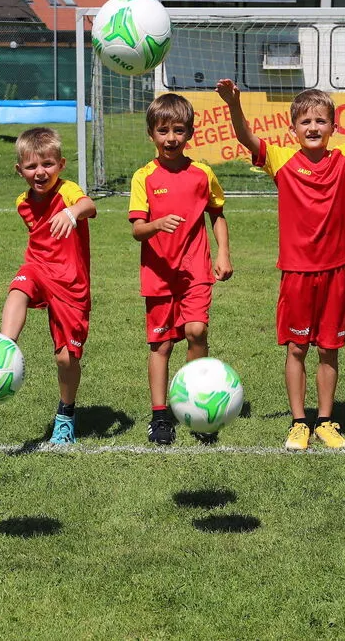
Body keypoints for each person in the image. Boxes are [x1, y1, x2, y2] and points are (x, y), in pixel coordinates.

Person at [217, 78, 345, 452]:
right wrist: (234, 104)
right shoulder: (281, 160)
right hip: (297, 272)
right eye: (305, 122)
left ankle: (326, 421)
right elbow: (246, 137)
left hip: (335, 271)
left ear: (334, 127)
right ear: (292, 130)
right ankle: (300, 422)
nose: (313, 128)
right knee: (297, 348)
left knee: (329, 348)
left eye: (321, 121)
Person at [130, 93, 233, 446]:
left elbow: (216, 214)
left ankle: (197, 404)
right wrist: (157, 224)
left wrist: (223, 255)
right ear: (151, 135)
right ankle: (160, 415)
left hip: (196, 271)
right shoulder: (143, 177)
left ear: (190, 133)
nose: (170, 138)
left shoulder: (202, 173)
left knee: (196, 331)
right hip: (158, 274)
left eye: (178, 130)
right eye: (163, 131)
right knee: (160, 346)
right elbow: (136, 229)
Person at [0, 127, 97, 445]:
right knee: (18, 289)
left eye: (48, 164)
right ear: (20, 170)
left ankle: (65, 413)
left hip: (71, 283)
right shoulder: (22, 203)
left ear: (61, 164)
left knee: (66, 359)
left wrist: (72, 212)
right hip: (38, 268)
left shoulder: (68, 192)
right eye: (31, 166)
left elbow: (89, 206)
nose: (40, 172)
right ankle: (3, 348)